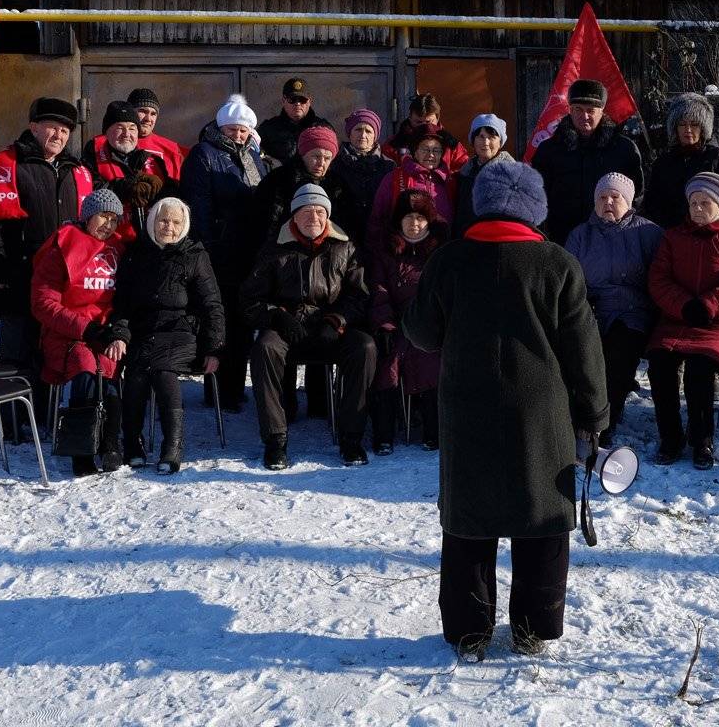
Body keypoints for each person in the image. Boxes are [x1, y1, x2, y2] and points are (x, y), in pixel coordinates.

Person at [403, 159, 606, 660]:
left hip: (467, 405)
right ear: (535, 210)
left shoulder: (448, 260)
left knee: (469, 519)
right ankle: (533, 628)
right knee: (542, 516)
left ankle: (469, 630)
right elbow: (583, 349)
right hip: (542, 411)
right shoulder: (558, 264)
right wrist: (595, 414)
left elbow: (422, 333)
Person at [0, 97, 94, 436]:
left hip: (63, 284)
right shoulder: (5, 165)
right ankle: (12, 422)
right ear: (33, 127)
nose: (59, 134)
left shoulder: (78, 171)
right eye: (52, 127)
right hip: (19, 278)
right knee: (18, 352)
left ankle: (42, 416)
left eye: (66, 130)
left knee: (51, 352)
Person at [245, 184, 377, 469]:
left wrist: (337, 320)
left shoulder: (345, 246)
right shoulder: (274, 248)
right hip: (288, 327)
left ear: (328, 215)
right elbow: (250, 299)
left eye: (319, 212)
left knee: (365, 347)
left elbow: (360, 295)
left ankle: (352, 438)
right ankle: (275, 441)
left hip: (330, 327)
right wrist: (278, 316)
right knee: (264, 348)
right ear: (294, 216)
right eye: (306, 212)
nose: (313, 218)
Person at [646, 172, 719, 468]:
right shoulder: (673, 237)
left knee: (699, 368)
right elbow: (659, 279)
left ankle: (701, 439)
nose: (696, 209)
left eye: (704, 202)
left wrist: (709, 305)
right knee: (659, 364)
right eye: (693, 202)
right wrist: (683, 306)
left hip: (718, 323)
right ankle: (670, 437)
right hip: (677, 320)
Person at [108, 197, 225, 474]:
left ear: (184, 225)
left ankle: (173, 445)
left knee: (162, 371)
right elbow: (122, 303)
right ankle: (133, 442)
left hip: (182, 331)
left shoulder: (195, 255)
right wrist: (121, 335)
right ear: (152, 222)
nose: (168, 227)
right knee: (136, 374)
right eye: (163, 220)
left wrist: (214, 348)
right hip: (144, 330)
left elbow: (212, 304)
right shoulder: (136, 254)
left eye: (175, 222)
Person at [180, 94, 270, 414]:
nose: (238, 135)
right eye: (233, 129)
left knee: (244, 320)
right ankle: (218, 389)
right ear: (220, 127)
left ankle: (234, 386)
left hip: (249, 251)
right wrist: (207, 248)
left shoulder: (252, 156)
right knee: (220, 320)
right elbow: (198, 205)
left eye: (243, 131)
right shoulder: (204, 154)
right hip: (219, 251)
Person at [29, 188, 127, 476]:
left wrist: (117, 330)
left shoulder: (120, 248)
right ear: (87, 216)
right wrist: (86, 329)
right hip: (68, 332)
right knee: (85, 370)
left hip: (106, 331)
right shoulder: (61, 246)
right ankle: (80, 447)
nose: (108, 225)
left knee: (109, 369)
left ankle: (110, 442)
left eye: (113, 219)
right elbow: (43, 303)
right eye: (102, 217)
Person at [565, 172, 663, 447]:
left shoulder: (647, 232)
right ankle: (580, 415)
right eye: (602, 197)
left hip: (632, 311)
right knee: (582, 354)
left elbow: (661, 278)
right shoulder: (580, 235)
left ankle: (605, 421)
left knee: (617, 357)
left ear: (628, 202)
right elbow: (568, 278)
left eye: (615, 197)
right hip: (590, 309)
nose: (608, 202)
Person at [366, 190, 447, 453]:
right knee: (388, 363)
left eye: (420, 218)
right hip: (396, 323)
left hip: (428, 325)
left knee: (431, 361)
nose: (414, 223)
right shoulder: (386, 251)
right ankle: (384, 434)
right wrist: (385, 325)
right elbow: (379, 292)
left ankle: (433, 432)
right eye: (409, 218)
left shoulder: (440, 252)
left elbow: (445, 295)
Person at [532, 78, 645, 247]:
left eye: (590, 110)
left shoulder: (624, 149)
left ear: (602, 111)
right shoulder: (549, 150)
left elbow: (637, 195)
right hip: (561, 239)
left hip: (612, 239)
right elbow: (537, 197)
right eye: (578, 109)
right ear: (569, 109)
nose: (584, 116)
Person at [644, 92, 719, 229]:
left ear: (703, 127)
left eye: (694, 124)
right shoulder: (663, 162)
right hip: (672, 239)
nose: (688, 129)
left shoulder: (717, 157)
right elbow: (652, 205)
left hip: (710, 237)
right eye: (682, 124)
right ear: (675, 128)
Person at [81, 101, 169, 241]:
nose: (127, 134)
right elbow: (91, 190)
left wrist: (158, 190)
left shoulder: (152, 160)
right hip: (109, 240)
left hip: (149, 241)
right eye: (120, 128)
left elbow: (170, 201)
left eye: (132, 128)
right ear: (107, 132)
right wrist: (128, 186)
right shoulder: (93, 157)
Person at [253, 124, 349, 237]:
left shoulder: (337, 185)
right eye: (316, 156)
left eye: (327, 158)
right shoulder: (278, 180)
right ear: (303, 154)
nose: (321, 163)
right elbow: (265, 223)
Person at [367, 128, 456, 243]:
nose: (431, 155)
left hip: (441, 251)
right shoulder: (394, 178)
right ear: (415, 151)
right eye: (425, 149)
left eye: (436, 150)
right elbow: (377, 219)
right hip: (403, 251)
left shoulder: (450, 181)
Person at [331, 107, 394, 245]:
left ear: (375, 135)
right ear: (350, 133)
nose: (363, 135)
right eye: (358, 129)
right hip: (343, 236)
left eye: (368, 131)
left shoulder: (388, 166)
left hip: (379, 236)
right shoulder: (335, 165)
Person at [452, 114, 515, 235]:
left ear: (500, 141)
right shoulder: (465, 173)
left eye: (491, 137)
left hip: (497, 239)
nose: (485, 142)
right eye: (481, 137)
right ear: (473, 140)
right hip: (467, 238)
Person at [255, 77, 335, 165]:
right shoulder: (268, 129)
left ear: (310, 101)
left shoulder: (324, 128)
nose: (297, 104)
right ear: (283, 100)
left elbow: (333, 162)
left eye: (302, 100)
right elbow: (257, 159)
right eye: (292, 99)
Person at [384, 93, 469, 174]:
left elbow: (463, 169)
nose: (424, 127)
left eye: (428, 122)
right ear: (410, 118)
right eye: (418, 122)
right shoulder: (395, 144)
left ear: (437, 118)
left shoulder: (450, 144)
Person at [126, 87, 188, 181]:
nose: (148, 119)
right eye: (142, 111)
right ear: (130, 112)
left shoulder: (172, 150)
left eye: (153, 114)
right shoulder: (108, 143)